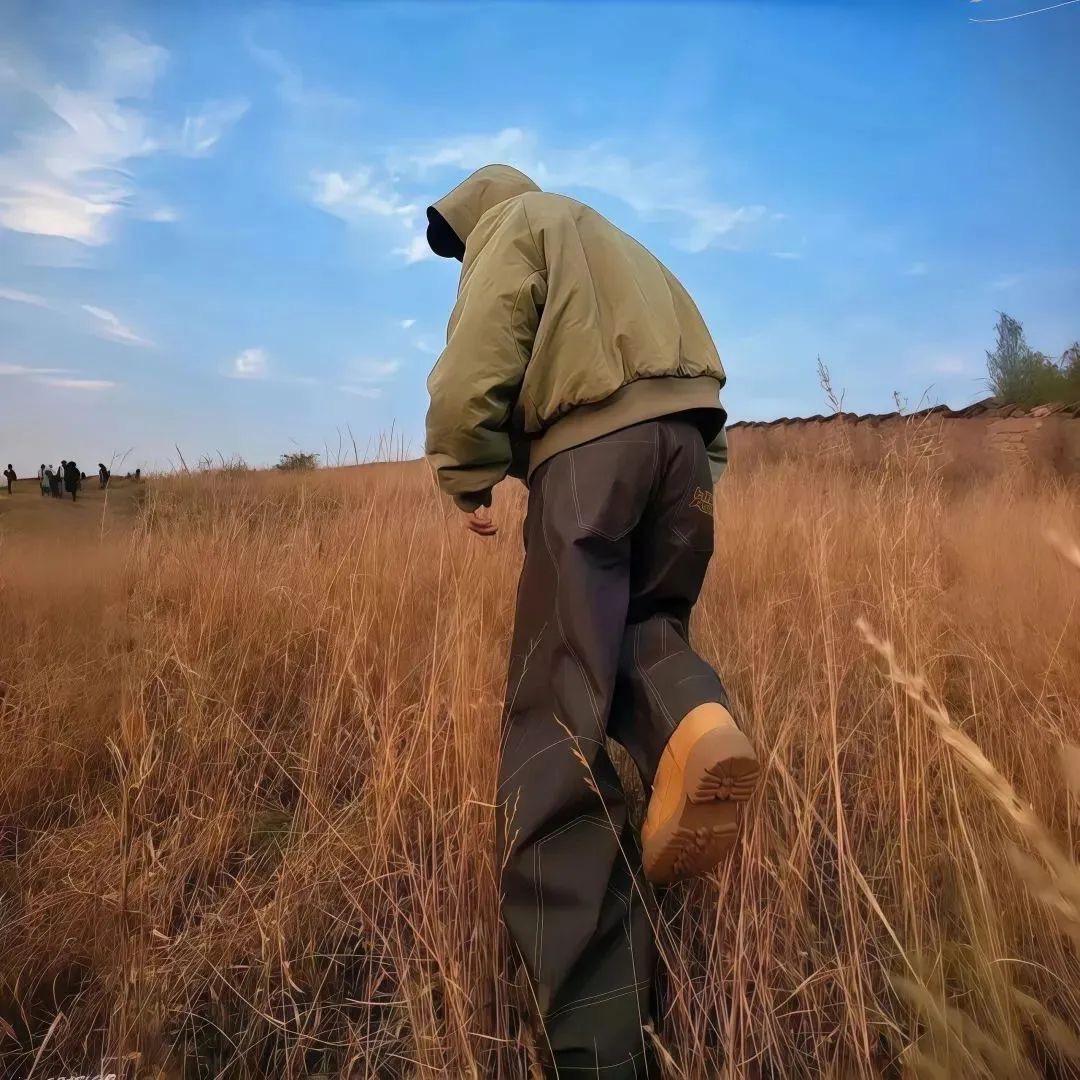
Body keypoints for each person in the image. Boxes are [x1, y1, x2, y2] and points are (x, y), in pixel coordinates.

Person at [424, 165, 761, 1077]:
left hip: (589, 458)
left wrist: (464, 471)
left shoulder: (517, 225)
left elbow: (473, 365)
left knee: (553, 725)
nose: (461, 256)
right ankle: (700, 722)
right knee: (646, 631)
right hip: (684, 449)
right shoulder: (622, 243)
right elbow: (707, 380)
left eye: (458, 241)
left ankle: (600, 1047)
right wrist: (691, 472)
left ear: (474, 215)